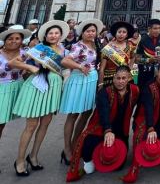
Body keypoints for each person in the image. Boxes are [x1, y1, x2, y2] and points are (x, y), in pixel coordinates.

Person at [11, 20, 69, 176]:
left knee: (45, 124)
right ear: (45, 35)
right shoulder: (38, 48)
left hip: (54, 88)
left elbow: (66, 68)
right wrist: (30, 67)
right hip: (37, 86)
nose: (53, 35)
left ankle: (33, 156)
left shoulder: (63, 50)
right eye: (50, 33)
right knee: (31, 126)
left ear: (60, 35)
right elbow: (13, 62)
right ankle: (20, 160)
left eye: (56, 33)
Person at [66, 67, 139, 181]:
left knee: (118, 166)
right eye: (118, 78)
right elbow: (104, 112)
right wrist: (108, 130)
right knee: (87, 147)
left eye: (123, 78)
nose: (120, 81)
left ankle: (103, 153)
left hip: (121, 130)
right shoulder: (104, 92)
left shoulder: (135, 91)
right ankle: (91, 158)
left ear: (129, 78)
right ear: (113, 79)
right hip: (101, 127)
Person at [122, 60, 160, 183]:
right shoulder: (149, 87)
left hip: (159, 120)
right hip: (144, 119)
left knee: (158, 146)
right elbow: (149, 108)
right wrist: (150, 128)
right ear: (157, 72)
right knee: (143, 139)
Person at [60, 19, 103, 166]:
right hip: (79, 81)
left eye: (93, 31)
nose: (91, 33)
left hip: (91, 81)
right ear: (82, 33)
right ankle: (66, 149)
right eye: (88, 31)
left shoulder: (96, 44)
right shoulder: (78, 46)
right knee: (73, 115)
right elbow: (65, 61)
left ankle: (74, 144)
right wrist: (79, 66)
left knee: (85, 114)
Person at [0, 26, 32, 142]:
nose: (14, 41)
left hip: (17, 89)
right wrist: (27, 67)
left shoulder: (25, 54)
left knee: (3, 122)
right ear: (5, 40)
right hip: (1, 90)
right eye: (10, 38)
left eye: (17, 38)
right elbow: (9, 65)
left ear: (22, 40)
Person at [98, 21, 136, 88]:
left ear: (127, 35)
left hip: (125, 78)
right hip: (110, 79)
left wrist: (129, 68)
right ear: (115, 33)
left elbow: (133, 57)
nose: (121, 34)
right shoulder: (108, 48)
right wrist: (100, 84)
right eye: (119, 32)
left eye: (124, 32)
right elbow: (102, 68)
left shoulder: (130, 46)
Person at [136, 19, 160, 89]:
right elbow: (136, 60)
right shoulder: (143, 40)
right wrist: (149, 60)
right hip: (145, 75)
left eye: (159, 28)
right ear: (149, 29)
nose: (158, 30)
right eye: (155, 28)